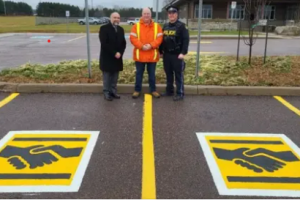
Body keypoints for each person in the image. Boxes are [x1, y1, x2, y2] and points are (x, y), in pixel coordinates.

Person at [130, 7, 163, 99]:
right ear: (142, 15)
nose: (146, 15)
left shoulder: (157, 26)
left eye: (148, 13)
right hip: (140, 55)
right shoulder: (136, 26)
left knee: (152, 75)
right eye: (145, 13)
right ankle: (137, 90)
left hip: (152, 56)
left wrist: (151, 45)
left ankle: (153, 90)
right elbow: (133, 39)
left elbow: (159, 39)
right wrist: (142, 46)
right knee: (139, 74)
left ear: (150, 15)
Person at [159, 5, 190, 101]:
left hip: (177, 55)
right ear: (168, 15)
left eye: (173, 13)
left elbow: (186, 40)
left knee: (178, 74)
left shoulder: (181, 26)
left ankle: (180, 93)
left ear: (177, 14)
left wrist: (183, 53)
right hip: (167, 55)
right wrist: (160, 51)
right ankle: (169, 91)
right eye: (170, 13)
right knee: (168, 74)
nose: (171, 15)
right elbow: (162, 40)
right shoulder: (165, 26)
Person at [99, 12, 126, 101]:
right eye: (114, 17)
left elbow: (123, 43)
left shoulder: (121, 29)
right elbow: (104, 43)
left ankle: (113, 92)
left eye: (118, 18)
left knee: (115, 76)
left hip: (117, 58)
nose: (116, 19)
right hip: (107, 57)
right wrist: (114, 53)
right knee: (107, 77)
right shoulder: (104, 28)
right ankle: (106, 93)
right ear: (110, 18)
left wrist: (120, 53)